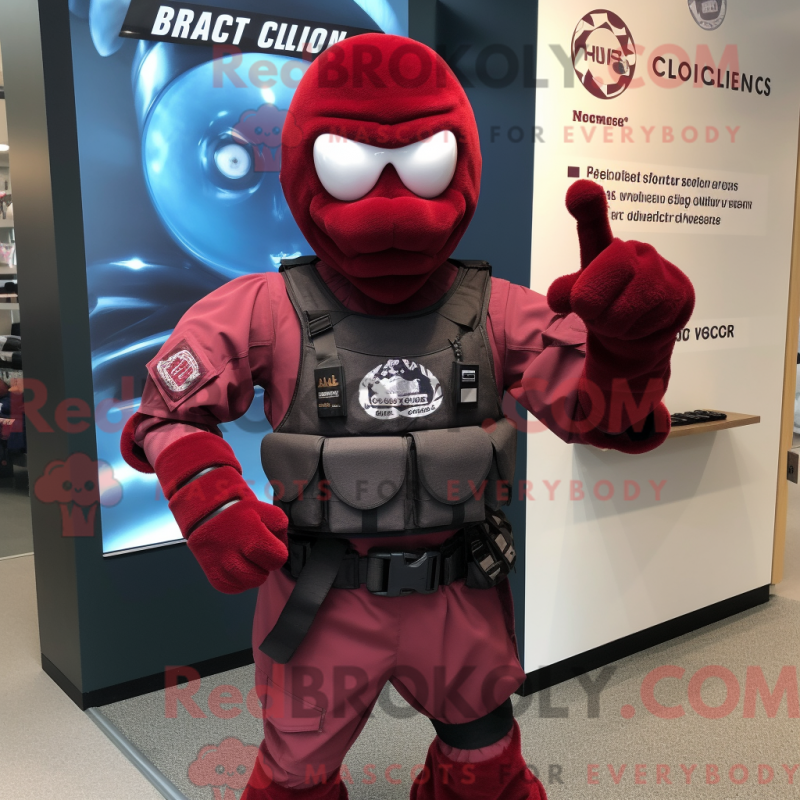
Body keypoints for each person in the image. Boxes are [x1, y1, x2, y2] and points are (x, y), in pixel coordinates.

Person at [121, 35, 693, 800]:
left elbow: (602, 417)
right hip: (322, 597)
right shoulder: (263, 309)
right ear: (305, 166)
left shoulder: (500, 311)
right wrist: (211, 501)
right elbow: (166, 415)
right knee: (294, 776)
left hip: (460, 592)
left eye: (422, 165)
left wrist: (632, 351)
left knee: (484, 766)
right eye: (351, 167)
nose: (390, 205)